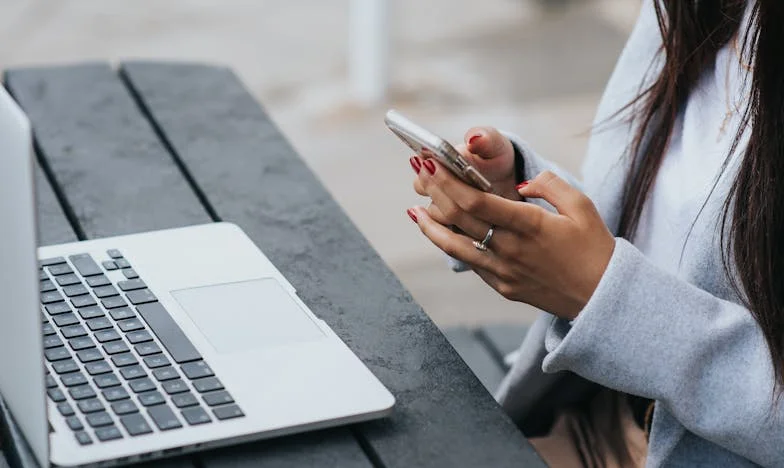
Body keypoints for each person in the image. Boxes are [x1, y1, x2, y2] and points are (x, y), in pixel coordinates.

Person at [405, 0, 783, 466]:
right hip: (588, 421)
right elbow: (653, 235)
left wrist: (603, 297)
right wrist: (521, 200)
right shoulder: (687, 11)